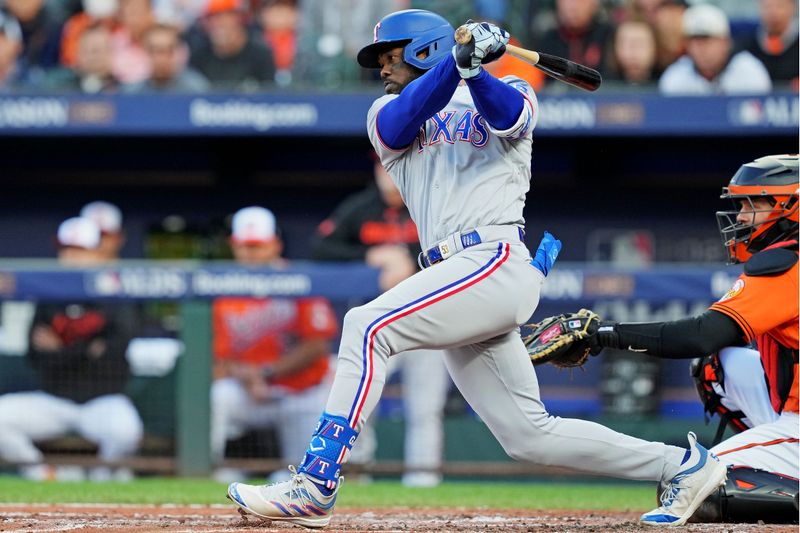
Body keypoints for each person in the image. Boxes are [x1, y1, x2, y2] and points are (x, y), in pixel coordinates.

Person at [226, 10, 727, 528]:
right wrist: (458, 65)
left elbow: (509, 115)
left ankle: (316, 482)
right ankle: (683, 465)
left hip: (493, 259)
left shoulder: (511, 87)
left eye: (390, 54)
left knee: (366, 326)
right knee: (529, 435)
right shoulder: (386, 111)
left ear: (423, 49)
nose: (381, 66)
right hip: (453, 273)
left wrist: (474, 70)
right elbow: (404, 122)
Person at [574, 154, 799, 523]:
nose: (741, 216)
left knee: (694, 481)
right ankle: (772, 453)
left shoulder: (787, 265)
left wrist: (603, 336)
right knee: (717, 365)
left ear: (792, 206)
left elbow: (700, 335)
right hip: (792, 411)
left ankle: (777, 461)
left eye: (753, 205)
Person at [310, 157, 450, 488]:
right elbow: (321, 247)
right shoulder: (361, 207)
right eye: (384, 168)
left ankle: (424, 481)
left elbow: (458, 248)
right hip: (378, 325)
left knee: (425, 409)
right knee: (357, 399)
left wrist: (411, 259)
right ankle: (356, 474)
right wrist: (368, 257)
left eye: (396, 168)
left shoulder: (430, 202)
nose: (389, 176)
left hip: (429, 324)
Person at [0, 216, 143, 481]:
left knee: (126, 431)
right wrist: (87, 349)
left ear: (97, 253)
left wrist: (61, 349)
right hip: (54, 399)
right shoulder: (48, 296)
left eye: (80, 250)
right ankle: (45, 475)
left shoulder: (115, 295)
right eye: (66, 249)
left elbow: (112, 354)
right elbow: (34, 356)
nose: (71, 255)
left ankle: (101, 481)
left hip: (102, 400)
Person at [211, 206, 339, 483]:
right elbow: (220, 358)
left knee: (303, 475)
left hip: (300, 391)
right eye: (243, 246)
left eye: (257, 246)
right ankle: (213, 469)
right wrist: (248, 376)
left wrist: (267, 372)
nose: (249, 254)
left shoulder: (301, 280)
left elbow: (317, 345)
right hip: (249, 392)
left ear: (275, 245)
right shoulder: (224, 288)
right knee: (220, 395)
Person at [659, 3, 772, 95]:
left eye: (707, 40)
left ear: (725, 42)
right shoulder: (676, 77)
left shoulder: (749, 72)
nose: (700, 49)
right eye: (694, 41)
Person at [188, 0, 275, 91]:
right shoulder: (199, 54)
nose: (218, 24)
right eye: (212, 18)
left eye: (225, 17)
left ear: (240, 19)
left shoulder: (260, 53)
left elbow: (271, 95)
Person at [124, 23, 209, 93]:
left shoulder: (195, 89)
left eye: (168, 50)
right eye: (156, 51)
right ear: (146, 53)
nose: (162, 58)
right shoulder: (133, 93)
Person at [739, 0, 799, 89]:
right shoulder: (748, 47)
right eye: (767, 7)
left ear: (793, 8)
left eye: (780, 6)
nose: (773, 13)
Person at [607, 18, 660, 88]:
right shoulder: (603, 84)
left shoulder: (670, 82)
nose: (633, 53)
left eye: (640, 44)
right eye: (626, 44)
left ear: (655, 47)